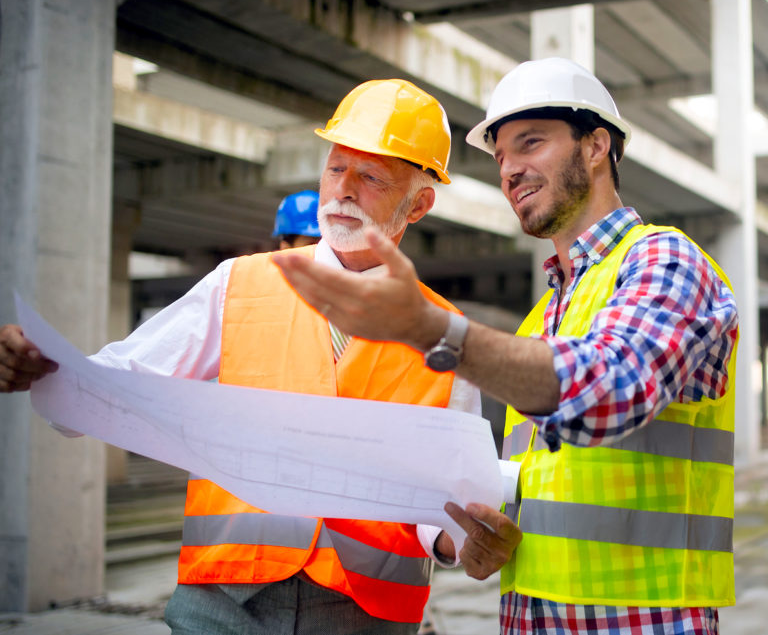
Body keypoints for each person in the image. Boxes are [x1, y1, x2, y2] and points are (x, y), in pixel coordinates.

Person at [0, 79, 521, 634]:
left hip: (363, 615)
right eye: (335, 167)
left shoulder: (446, 333)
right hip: (222, 603)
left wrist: (463, 541)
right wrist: (48, 373)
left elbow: (448, 499)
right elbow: (119, 381)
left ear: (418, 203)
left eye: (370, 177)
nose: (342, 189)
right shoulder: (239, 284)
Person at [273, 57, 739, 635]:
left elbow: (610, 390)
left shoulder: (665, 260)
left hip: (640, 619)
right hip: (533, 616)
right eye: (500, 157)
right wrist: (472, 539)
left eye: (531, 143)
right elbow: (534, 486)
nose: (510, 170)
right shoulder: (539, 323)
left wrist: (434, 331)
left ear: (596, 147)